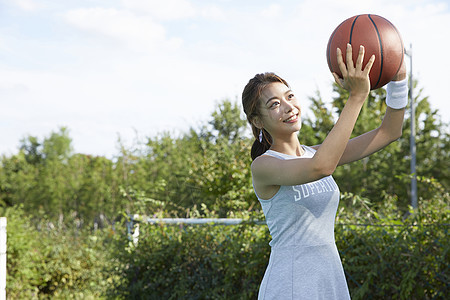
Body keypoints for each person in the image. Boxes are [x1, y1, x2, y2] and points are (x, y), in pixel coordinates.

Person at [241, 44, 408, 299]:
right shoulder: (264, 166)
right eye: (274, 104)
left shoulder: (314, 154)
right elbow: (322, 166)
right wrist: (356, 97)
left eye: (290, 96)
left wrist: (398, 79)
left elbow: (390, 132)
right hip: (292, 285)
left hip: (329, 279)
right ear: (258, 121)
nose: (288, 106)